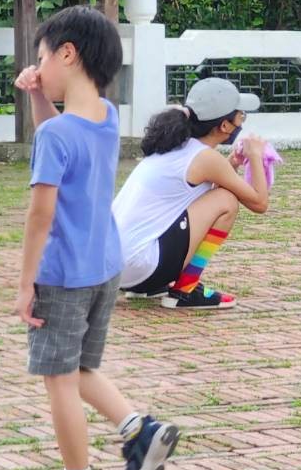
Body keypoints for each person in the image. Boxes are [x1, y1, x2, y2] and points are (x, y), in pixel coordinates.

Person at [12, 6, 178, 470]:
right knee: (81, 368)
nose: (39, 66)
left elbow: (41, 215)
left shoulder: (55, 137)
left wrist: (25, 284)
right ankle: (139, 430)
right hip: (103, 267)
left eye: (43, 57)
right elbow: (62, 135)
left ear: (68, 53)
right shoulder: (107, 116)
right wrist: (40, 93)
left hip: (62, 273)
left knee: (59, 379)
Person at [112, 79, 272, 311]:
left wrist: (232, 164)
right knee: (227, 201)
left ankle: (144, 287)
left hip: (116, 269)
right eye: (240, 117)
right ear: (225, 126)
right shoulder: (205, 158)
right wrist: (255, 155)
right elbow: (260, 202)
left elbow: (198, 198)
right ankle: (185, 291)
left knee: (220, 197)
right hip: (141, 265)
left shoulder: (174, 145)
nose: (241, 123)